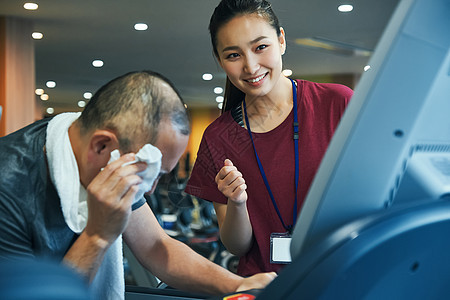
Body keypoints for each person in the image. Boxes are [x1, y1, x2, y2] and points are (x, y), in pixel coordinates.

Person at [0, 71, 276, 299]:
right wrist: (97, 235)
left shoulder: (111, 162)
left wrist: (238, 284)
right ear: (102, 145)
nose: (152, 189)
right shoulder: (8, 188)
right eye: (150, 174)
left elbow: (156, 246)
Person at [185, 0, 353, 276]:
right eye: (233, 55)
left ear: (281, 40)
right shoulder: (218, 137)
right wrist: (237, 203)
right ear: (219, 60)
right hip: (263, 285)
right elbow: (237, 247)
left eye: (260, 47)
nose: (251, 67)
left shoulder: (337, 104)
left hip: (337, 278)